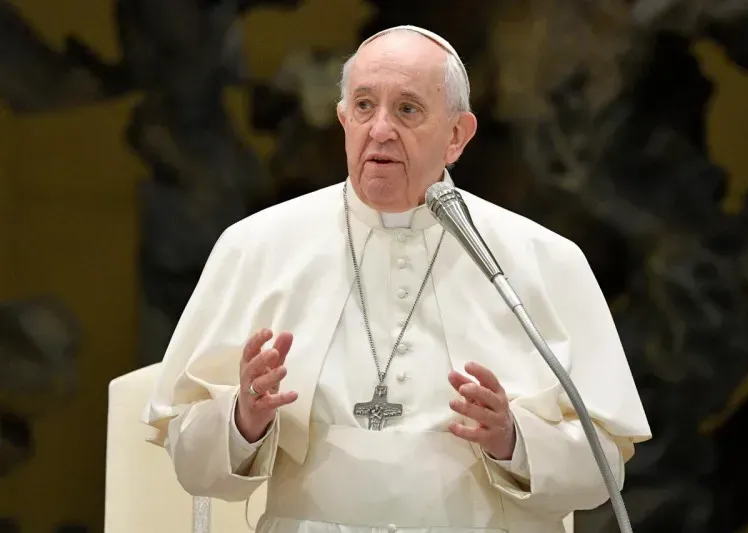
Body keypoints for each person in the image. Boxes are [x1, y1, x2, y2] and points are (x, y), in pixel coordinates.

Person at [143, 25, 651, 533]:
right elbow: (188, 458)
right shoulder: (256, 246)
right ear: (343, 119)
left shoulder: (542, 259)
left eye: (407, 109)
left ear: (457, 135)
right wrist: (243, 420)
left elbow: (603, 467)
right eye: (364, 106)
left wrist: (512, 440)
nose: (380, 129)